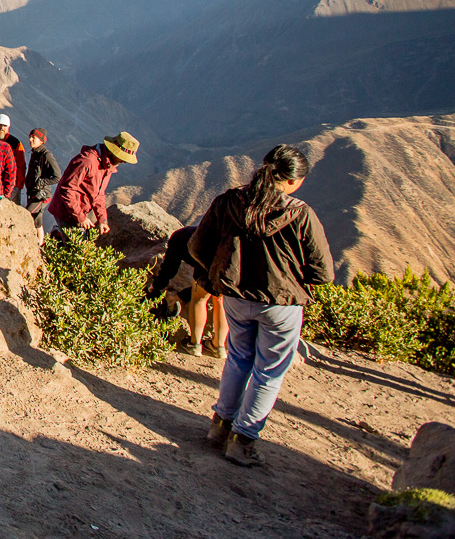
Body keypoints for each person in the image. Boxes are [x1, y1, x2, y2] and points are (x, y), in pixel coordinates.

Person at [189, 145, 334, 467]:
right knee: (268, 371)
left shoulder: (229, 201)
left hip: (236, 298)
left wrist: (215, 272)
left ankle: (220, 426)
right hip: (281, 304)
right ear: (295, 181)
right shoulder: (300, 214)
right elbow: (323, 272)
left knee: (239, 358)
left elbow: (197, 244)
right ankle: (244, 440)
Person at [147, 225, 228, 357]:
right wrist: (181, 295)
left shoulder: (178, 239)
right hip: (227, 259)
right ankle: (219, 347)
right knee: (220, 300)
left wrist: (157, 286)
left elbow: (170, 268)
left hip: (207, 257)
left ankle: (194, 345)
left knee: (199, 299)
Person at [46, 132, 139, 238]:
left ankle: (58, 236)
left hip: (78, 210)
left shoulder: (107, 165)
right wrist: (80, 217)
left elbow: (99, 194)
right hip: (67, 211)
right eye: (123, 158)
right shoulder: (87, 161)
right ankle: (57, 235)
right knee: (76, 248)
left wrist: (102, 219)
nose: (124, 162)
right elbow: (67, 189)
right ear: (115, 152)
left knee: (79, 242)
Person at [23, 128, 61, 240]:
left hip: (41, 195)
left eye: (33, 138)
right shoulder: (35, 153)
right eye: (30, 137)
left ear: (41, 141)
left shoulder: (46, 155)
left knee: (25, 214)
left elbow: (57, 176)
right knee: (37, 220)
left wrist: (41, 182)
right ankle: (40, 245)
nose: (30, 140)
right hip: (33, 193)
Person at [0, 114, 27, 206]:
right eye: (0, 125)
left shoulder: (15, 143)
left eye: (4, 126)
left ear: (8, 127)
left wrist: (19, 185)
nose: (2, 128)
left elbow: (21, 165)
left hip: (12, 184)